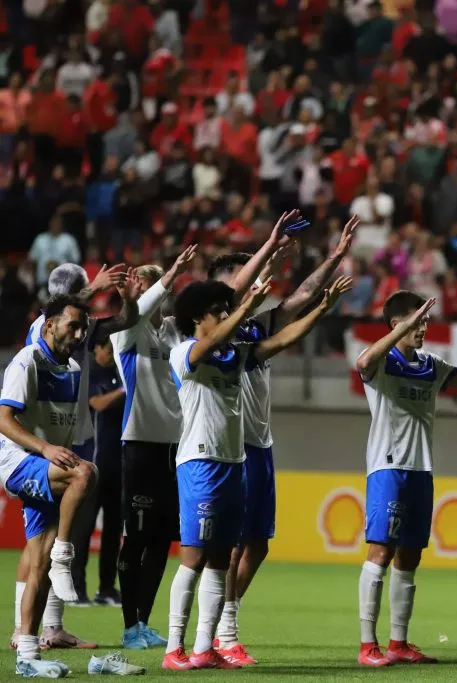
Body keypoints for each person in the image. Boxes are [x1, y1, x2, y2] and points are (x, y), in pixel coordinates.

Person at [162, 275, 352, 670]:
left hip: (235, 463)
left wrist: (321, 308)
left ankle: (203, 649)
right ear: (198, 318)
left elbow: (280, 341)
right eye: (220, 310)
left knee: (219, 560)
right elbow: (211, 343)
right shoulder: (184, 353)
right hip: (200, 462)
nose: (227, 315)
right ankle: (173, 650)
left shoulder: (235, 356)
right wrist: (247, 307)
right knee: (193, 558)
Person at [208, 215, 360, 666]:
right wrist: (269, 248)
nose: (253, 287)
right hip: (229, 447)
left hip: (261, 444)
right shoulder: (214, 332)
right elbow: (237, 291)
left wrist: (333, 257)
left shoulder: (257, 328)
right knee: (233, 542)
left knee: (258, 543)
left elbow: (301, 298)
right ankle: (223, 632)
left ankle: (223, 621)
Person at [353, 291, 457, 667]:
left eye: (424, 322)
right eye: (415, 322)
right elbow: (363, 360)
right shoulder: (383, 363)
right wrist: (402, 327)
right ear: (395, 325)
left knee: (409, 557)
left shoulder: (430, 364)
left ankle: (398, 643)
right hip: (388, 467)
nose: (423, 328)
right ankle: (367, 645)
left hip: (421, 469)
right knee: (381, 551)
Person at [16, 262, 133, 651]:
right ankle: (24, 630)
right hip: (39, 444)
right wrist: (95, 289)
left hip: (69, 436)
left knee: (48, 536)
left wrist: (132, 297)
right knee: (41, 544)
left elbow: (122, 321)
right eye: (85, 293)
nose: (82, 330)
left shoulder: (76, 333)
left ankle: (51, 628)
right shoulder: (42, 332)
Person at [0, 296, 101, 678]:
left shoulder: (73, 368)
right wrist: (44, 448)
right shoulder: (26, 360)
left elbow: (64, 429)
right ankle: (65, 553)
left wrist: (56, 452)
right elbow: (3, 418)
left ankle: (27, 651)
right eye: (71, 326)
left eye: (82, 329)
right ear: (48, 326)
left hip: (45, 465)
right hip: (16, 461)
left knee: (36, 563)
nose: (77, 335)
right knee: (85, 473)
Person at [110, 246, 198, 651]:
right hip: (140, 445)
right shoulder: (127, 333)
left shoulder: (174, 334)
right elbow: (133, 312)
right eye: (145, 286)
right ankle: (130, 626)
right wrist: (141, 293)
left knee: (164, 540)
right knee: (137, 539)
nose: (155, 293)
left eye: (157, 285)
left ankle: (144, 621)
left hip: (174, 449)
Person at [87, 331, 126, 607]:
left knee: (113, 531)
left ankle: (106, 589)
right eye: (107, 348)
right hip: (95, 464)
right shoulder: (91, 375)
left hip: (119, 465)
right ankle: (76, 588)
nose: (111, 354)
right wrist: (124, 390)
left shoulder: (117, 373)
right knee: (83, 528)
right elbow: (98, 404)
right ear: (97, 348)